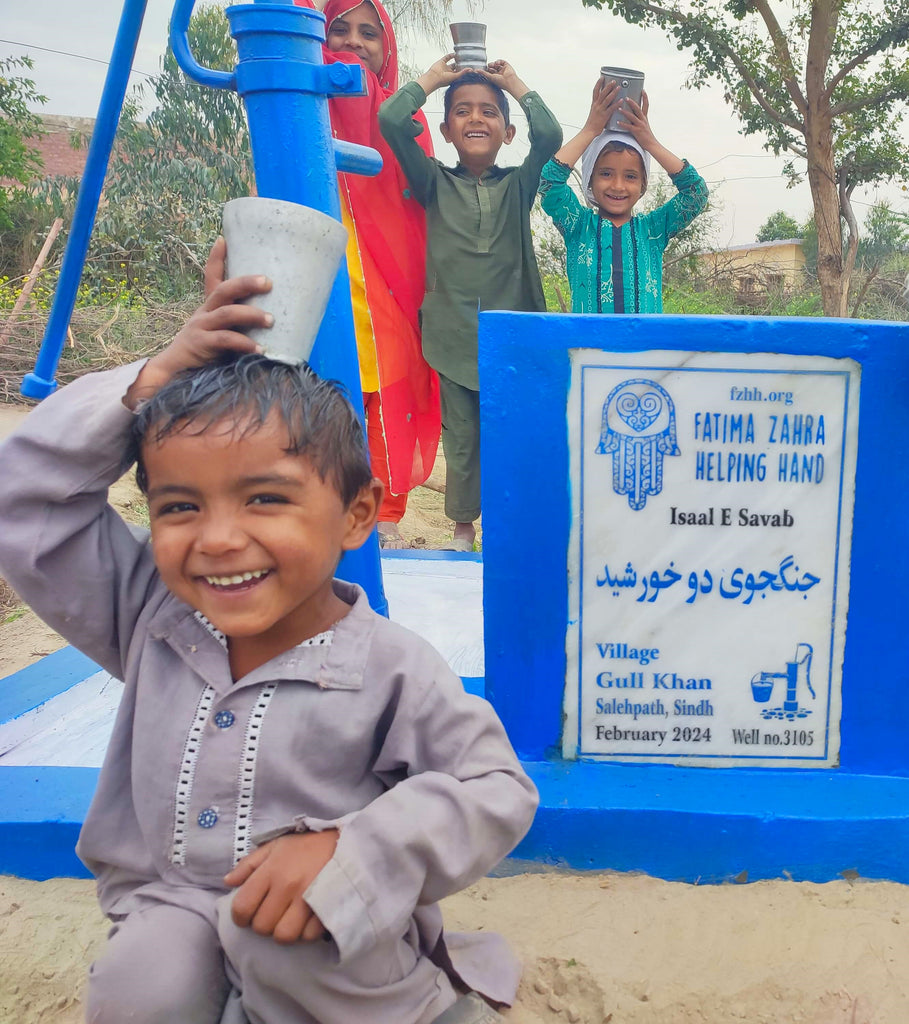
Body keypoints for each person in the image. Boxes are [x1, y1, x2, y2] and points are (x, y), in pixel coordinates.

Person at [0, 242, 537, 1024]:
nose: (216, 539)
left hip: (332, 923)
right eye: (179, 506)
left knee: (284, 942)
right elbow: (25, 499)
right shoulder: (151, 618)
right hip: (178, 902)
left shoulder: (391, 668)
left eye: (264, 500)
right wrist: (155, 377)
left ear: (356, 515)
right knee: (137, 987)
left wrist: (354, 855)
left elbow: (495, 790)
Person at [379, 58, 562, 551]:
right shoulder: (433, 182)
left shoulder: (517, 185)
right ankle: (463, 529)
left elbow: (548, 135)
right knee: (462, 441)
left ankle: (510, 526)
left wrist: (515, 83)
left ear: (507, 131)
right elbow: (391, 120)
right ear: (445, 130)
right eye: (462, 111)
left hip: (511, 338)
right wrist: (435, 79)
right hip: (452, 336)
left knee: (510, 434)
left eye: (489, 111)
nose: (476, 118)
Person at [295, 0, 440, 549]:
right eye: (340, 29)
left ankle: (376, 531)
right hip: (320, 278)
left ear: (388, 50)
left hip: (386, 290)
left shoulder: (403, 118)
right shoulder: (300, 99)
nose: (354, 41)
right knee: (317, 406)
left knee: (382, 404)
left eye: (369, 33)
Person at [539, 77, 709, 313]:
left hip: (644, 349)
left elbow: (696, 194)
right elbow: (550, 183)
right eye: (606, 173)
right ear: (590, 179)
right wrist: (590, 130)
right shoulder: (578, 226)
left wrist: (650, 143)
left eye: (630, 176)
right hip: (589, 348)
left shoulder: (652, 230)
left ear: (642, 185)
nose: (618, 186)